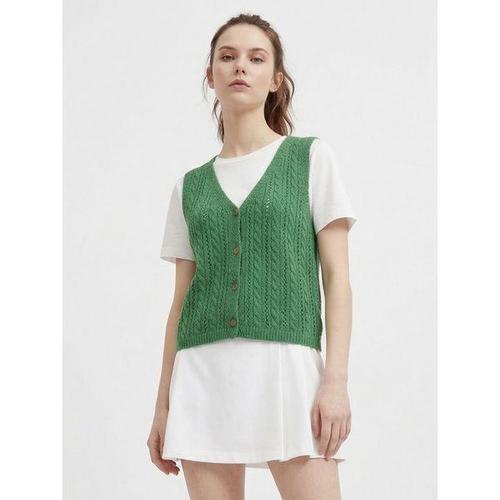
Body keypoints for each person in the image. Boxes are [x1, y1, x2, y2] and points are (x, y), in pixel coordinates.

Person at [147, 13, 358, 500]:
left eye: (256, 58)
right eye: (228, 57)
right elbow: (179, 305)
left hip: (287, 371)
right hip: (201, 376)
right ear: (211, 75)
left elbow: (337, 279)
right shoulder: (189, 187)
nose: (240, 66)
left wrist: (336, 381)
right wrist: (163, 406)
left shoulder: (310, 158)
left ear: (275, 79)